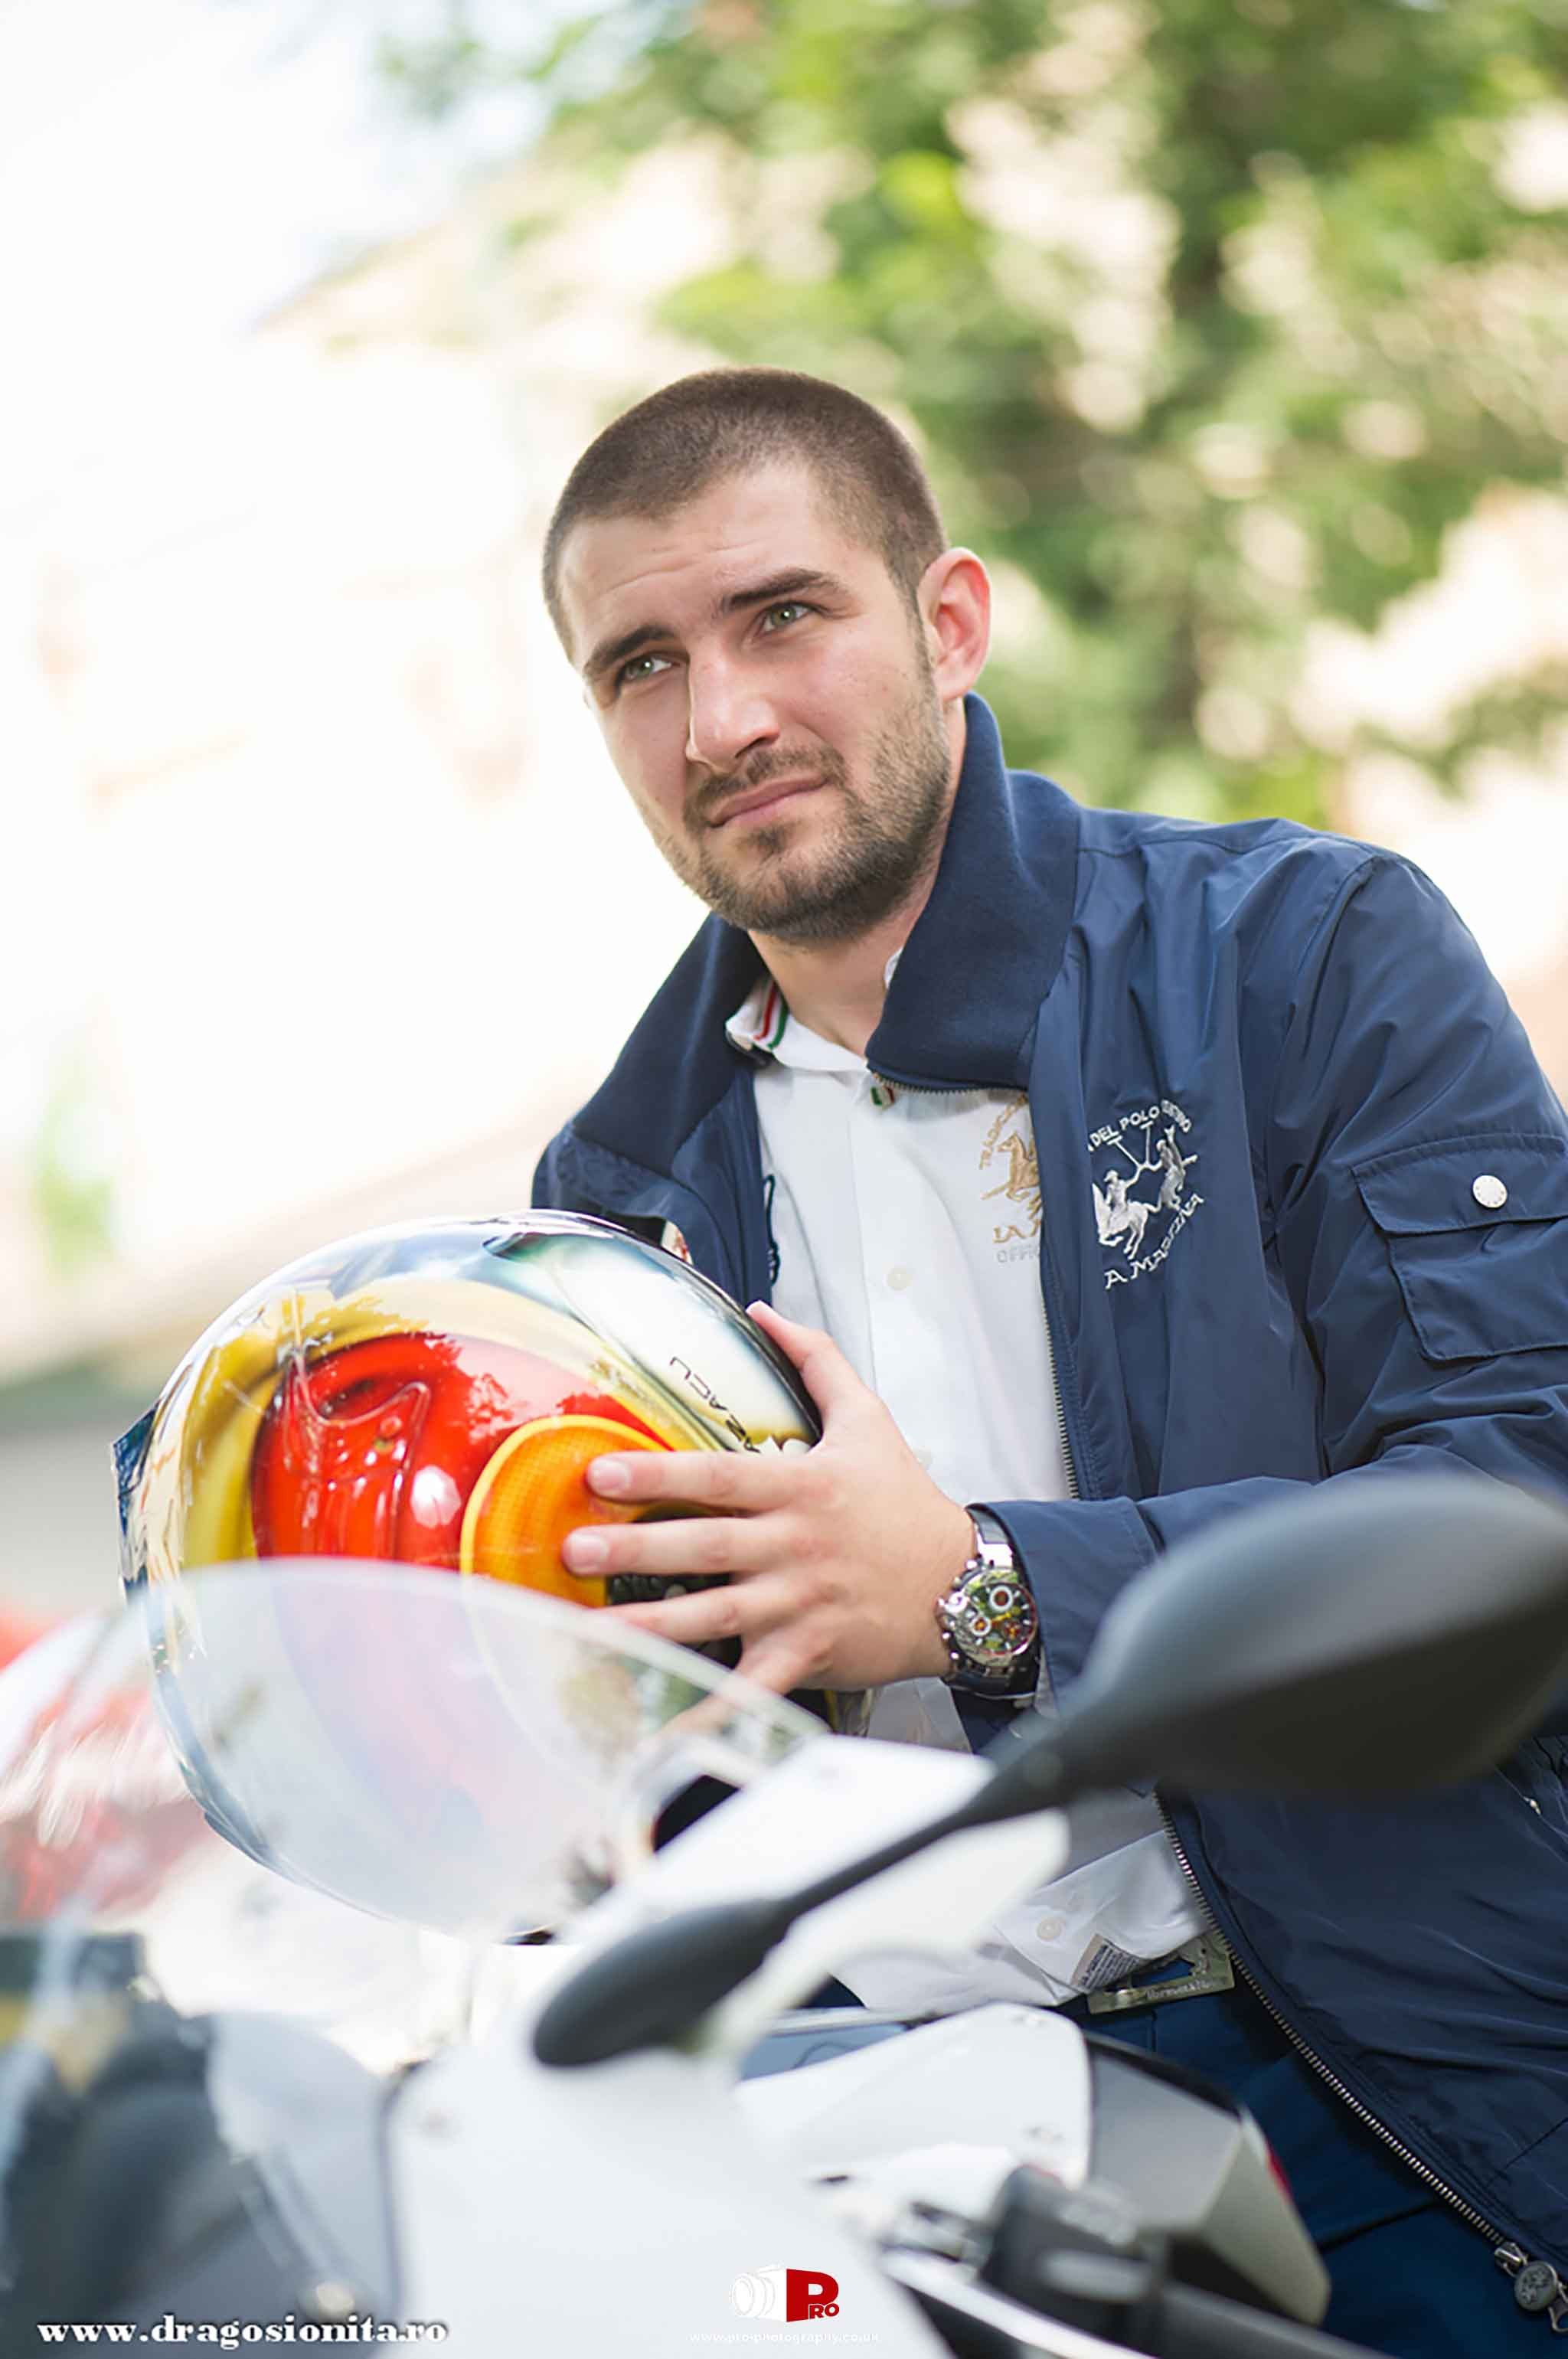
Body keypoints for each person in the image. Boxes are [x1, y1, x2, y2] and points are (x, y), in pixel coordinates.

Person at [532, 367, 1568, 2357]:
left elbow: (1521, 1500)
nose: (720, 720)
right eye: (638, 664)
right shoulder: (603, 1210)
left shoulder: (1310, 951)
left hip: (1397, 2082)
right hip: (908, 2161)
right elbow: (638, 1785)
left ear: (948, 620)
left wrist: (973, 1586)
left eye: (781, 617)